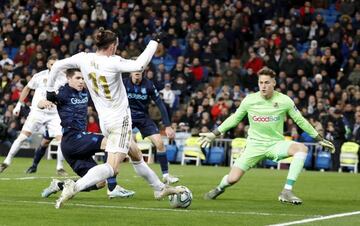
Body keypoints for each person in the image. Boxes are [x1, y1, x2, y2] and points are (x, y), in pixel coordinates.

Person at [46, 28, 184, 208]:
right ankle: (73, 187)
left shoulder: (83, 58)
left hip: (105, 121)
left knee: (135, 154)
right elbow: (140, 65)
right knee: (112, 168)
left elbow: (56, 65)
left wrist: (49, 91)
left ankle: (158, 187)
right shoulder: (113, 62)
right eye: (116, 45)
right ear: (112, 46)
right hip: (121, 121)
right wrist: (155, 41)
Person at [199, 67, 335, 205]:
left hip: (275, 144)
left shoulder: (285, 100)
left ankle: (287, 191)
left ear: (274, 83)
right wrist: (213, 134)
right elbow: (234, 119)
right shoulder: (249, 100)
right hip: (254, 146)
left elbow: (300, 120)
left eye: (267, 82)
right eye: (261, 83)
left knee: (302, 149)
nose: (263, 86)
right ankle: (219, 188)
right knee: (233, 179)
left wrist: (319, 138)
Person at [40, 68, 135, 199]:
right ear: (69, 79)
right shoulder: (63, 92)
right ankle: (113, 188)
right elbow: (41, 102)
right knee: (111, 142)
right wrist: (44, 103)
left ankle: (59, 185)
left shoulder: (85, 91)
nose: (81, 81)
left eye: (83, 78)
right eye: (78, 78)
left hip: (80, 143)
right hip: (72, 140)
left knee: (100, 182)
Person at [0, 55, 67, 176]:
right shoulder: (39, 76)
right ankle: (6, 161)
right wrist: (19, 105)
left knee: (61, 139)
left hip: (54, 114)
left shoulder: (63, 78)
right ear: (47, 65)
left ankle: (59, 167)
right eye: (52, 64)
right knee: (23, 137)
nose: (54, 66)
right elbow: (27, 88)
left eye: (56, 64)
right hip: (37, 112)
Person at [123, 71, 179, 184]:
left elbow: (160, 104)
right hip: (126, 116)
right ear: (130, 72)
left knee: (160, 143)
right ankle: (110, 180)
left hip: (143, 117)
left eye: (140, 69)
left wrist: (168, 126)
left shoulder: (148, 85)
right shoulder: (123, 83)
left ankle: (166, 175)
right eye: (135, 69)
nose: (137, 72)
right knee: (117, 147)